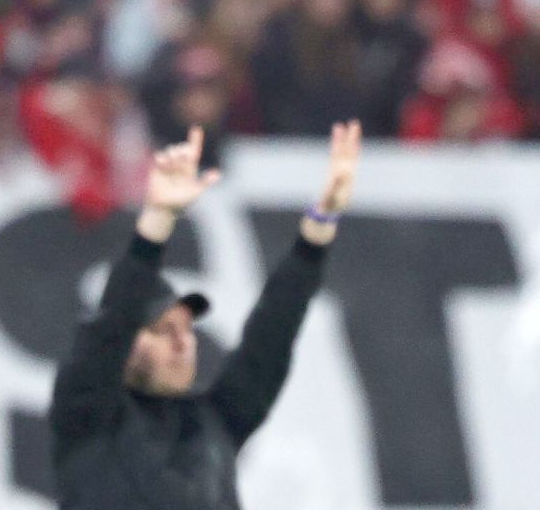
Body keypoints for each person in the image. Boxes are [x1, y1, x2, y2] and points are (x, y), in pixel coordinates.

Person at [50, 121, 362, 509]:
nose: (184, 342)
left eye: (187, 329)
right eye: (164, 330)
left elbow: (271, 334)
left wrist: (316, 234)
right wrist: (156, 225)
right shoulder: (88, 418)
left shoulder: (217, 420)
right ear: (126, 344)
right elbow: (112, 322)